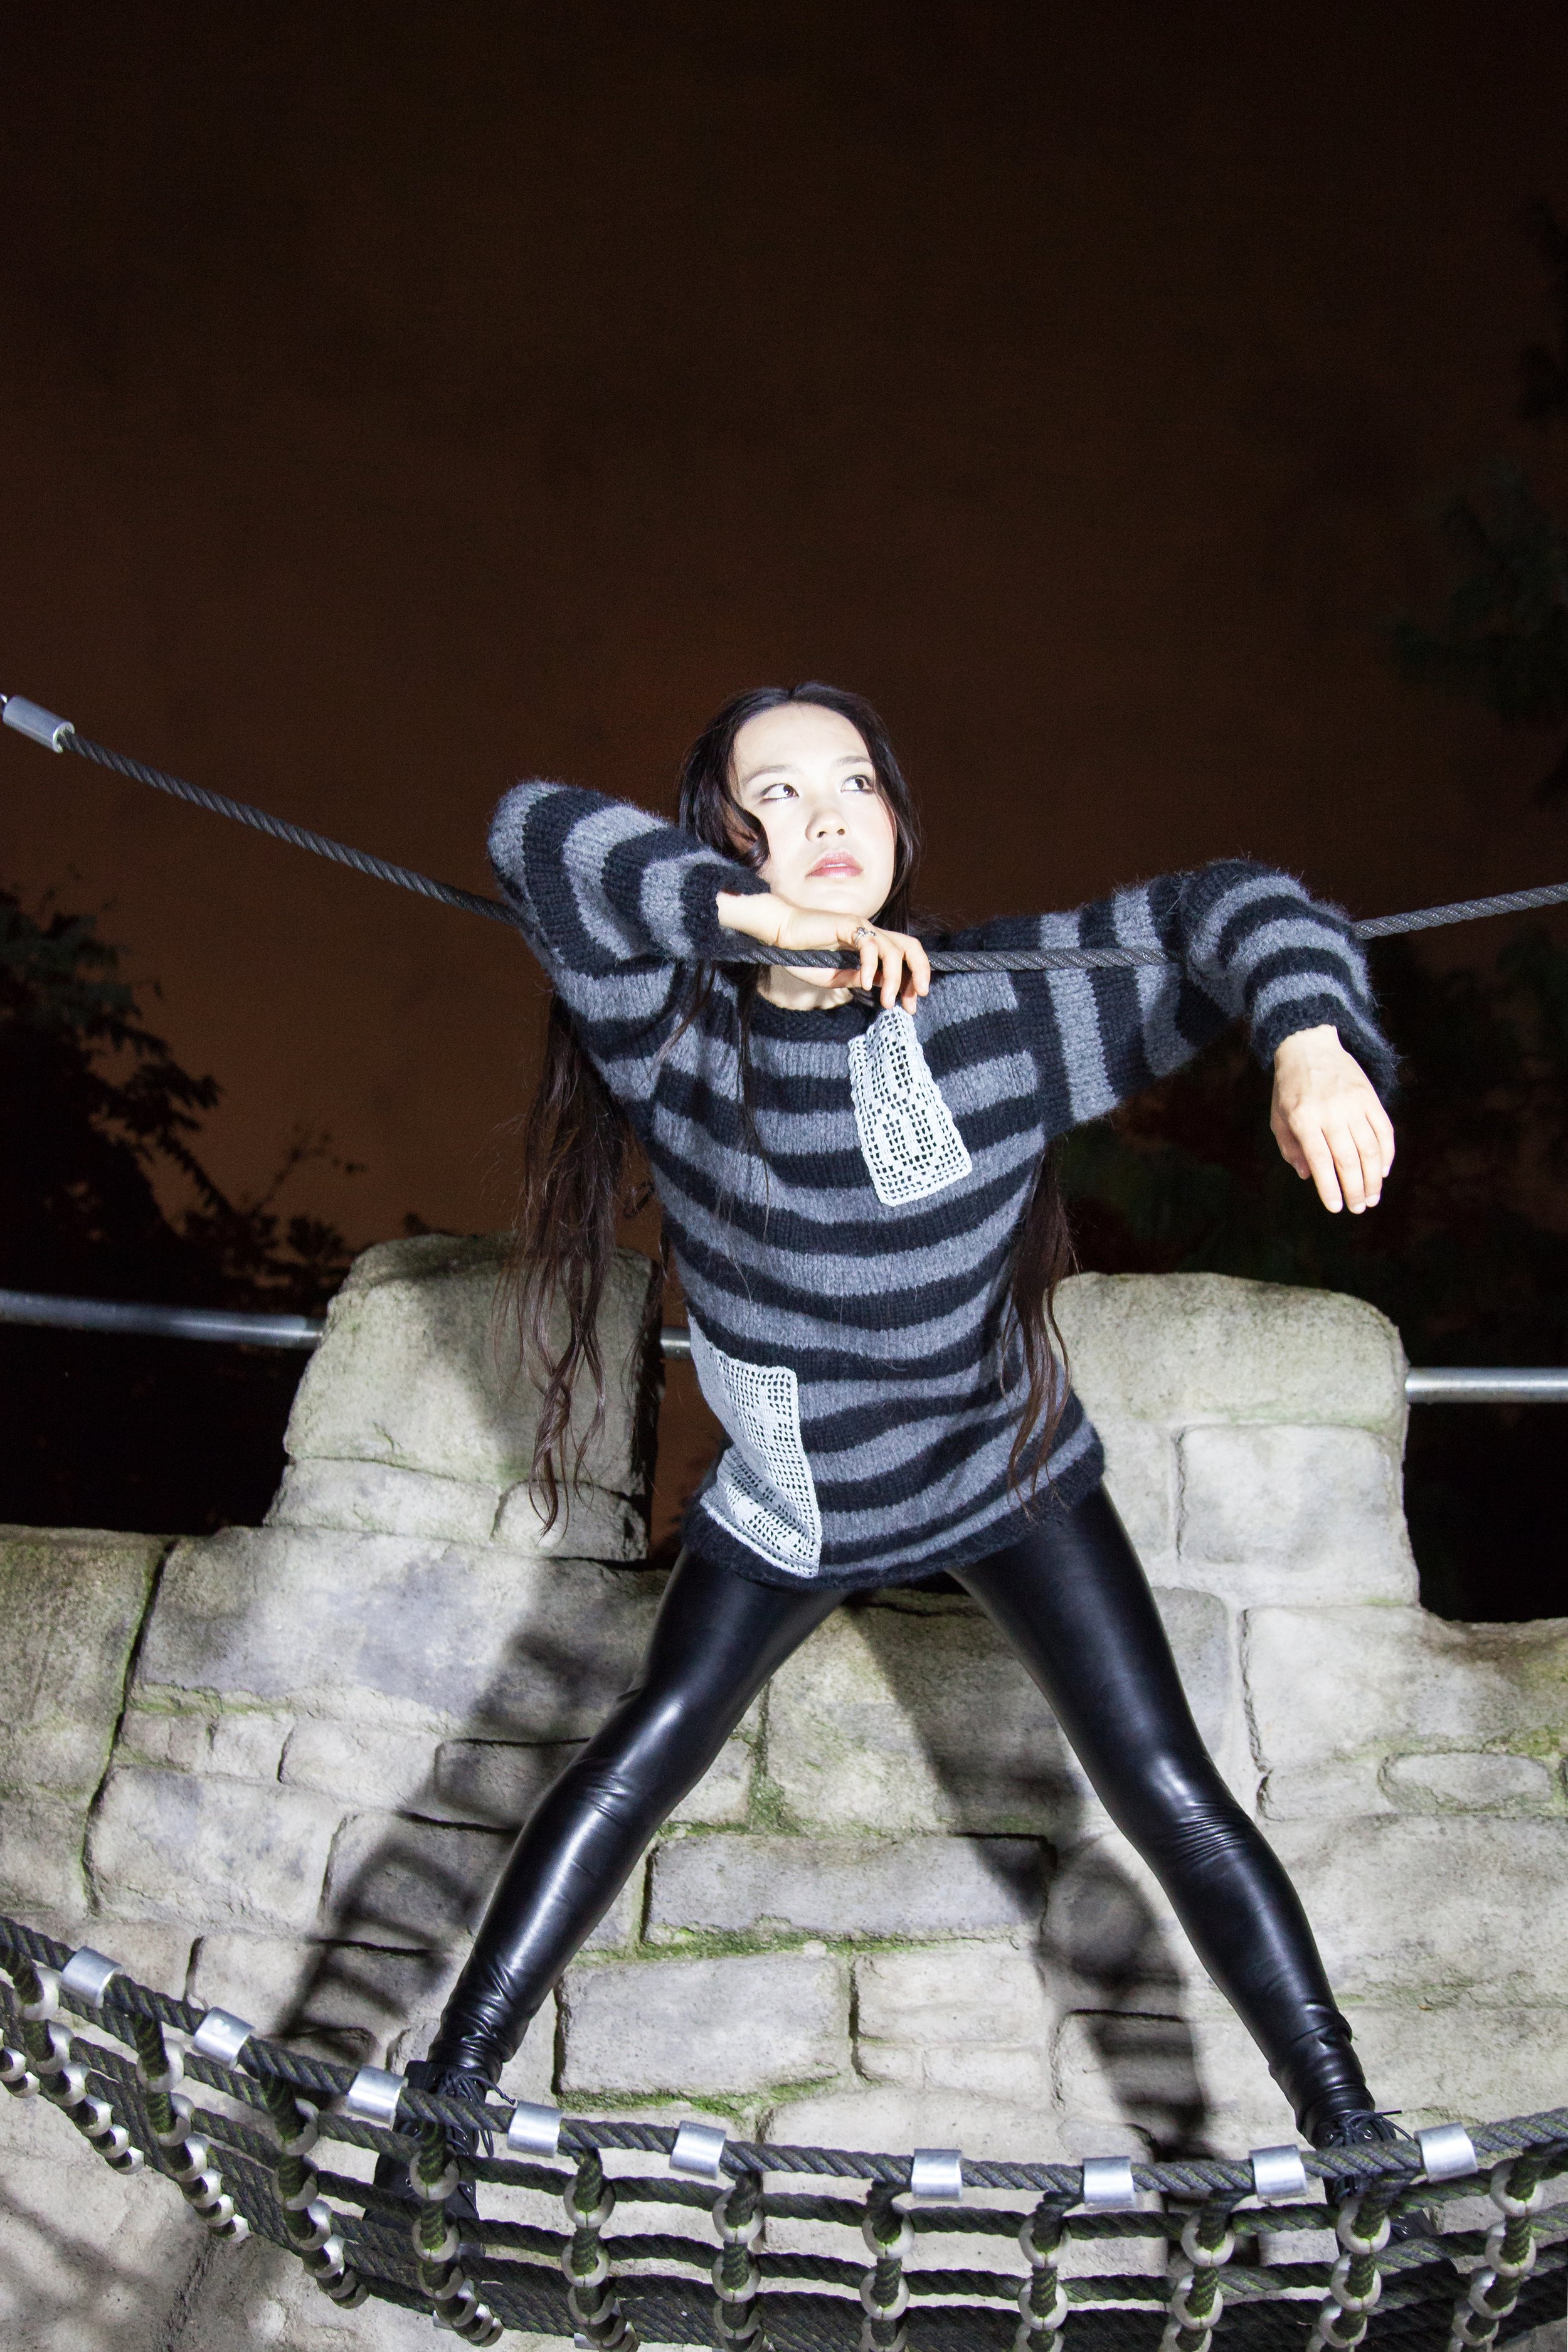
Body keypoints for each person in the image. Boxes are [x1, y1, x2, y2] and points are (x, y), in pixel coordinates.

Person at [403, 682, 1401, 2173]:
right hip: (798, 1505)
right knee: (639, 1751)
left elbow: (1231, 908)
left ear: (895, 823)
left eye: (851, 787)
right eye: (777, 795)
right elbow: (529, 833)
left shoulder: (998, 1010)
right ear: (720, 839)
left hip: (1006, 1471)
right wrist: (753, 929)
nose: (821, 819)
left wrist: (1309, 1033)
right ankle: (449, 2093)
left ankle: (1346, 2130)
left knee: (1164, 1784)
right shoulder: (667, 1028)